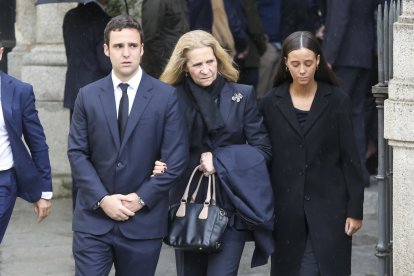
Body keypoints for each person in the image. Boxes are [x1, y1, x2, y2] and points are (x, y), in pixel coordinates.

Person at [67, 15, 188, 276]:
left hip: (143, 223)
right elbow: (77, 153)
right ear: (106, 50)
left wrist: (141, 198)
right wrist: (102, 199)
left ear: (142, 49)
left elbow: (175, 158)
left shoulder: (166, 97)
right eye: (119, 46)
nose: (126, 53)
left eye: (132, 46)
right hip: (93, 221)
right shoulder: (87, 95)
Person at [156, 30, 275, 276]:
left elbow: (262, 150)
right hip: (187, 206)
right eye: (197, 64)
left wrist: (220, 161)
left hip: (231, 203)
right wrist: (156, 163)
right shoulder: (169, 98)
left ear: (218, 61)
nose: (205, 69)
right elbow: (157, 145)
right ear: (185, 67)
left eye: (210, 62)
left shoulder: (242, 95)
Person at [259, 31, 365, 276]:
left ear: (318, 61)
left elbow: (350, 157)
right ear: (285, 63)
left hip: (331, 207)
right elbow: (264, 157)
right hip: (285, 209)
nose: (302, 70)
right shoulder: (269, 103)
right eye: (295, 64)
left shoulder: (337, 100)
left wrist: (355, 209)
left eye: (308, 63)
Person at [0, 42, 52, 243]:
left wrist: (44, 191)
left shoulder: (20, 91)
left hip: (3, 183)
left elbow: (37, 143)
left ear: (1, 52)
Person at [63, 0, 112, 209]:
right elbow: (105, 62)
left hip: (75, 92)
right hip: (98, 95)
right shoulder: (105, 21)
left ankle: (79, 204)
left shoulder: (70, 17)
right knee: (100, 152)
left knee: (79, 151)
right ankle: (97, 202)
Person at [322, 0, 377, 186]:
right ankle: (359, 173)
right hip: (363, 54)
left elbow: (339, 17)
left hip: (344, 55)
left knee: (334, 114)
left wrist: (328, 57)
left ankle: (338, 174)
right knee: (356, 115)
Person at [141, 0, 190, 79]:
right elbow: (150, 37)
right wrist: (166, 67)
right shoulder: (155, 2)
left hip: (178, 61)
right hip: (163, 67)